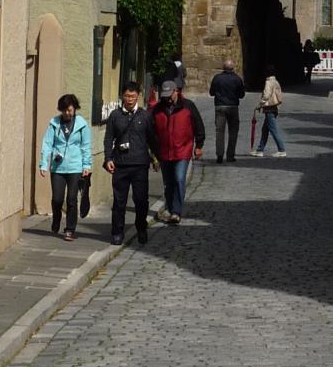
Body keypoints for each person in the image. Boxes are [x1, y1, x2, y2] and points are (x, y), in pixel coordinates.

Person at [103, 80, 158, 244]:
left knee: (141, 200)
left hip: (140, 164)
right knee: (119, 201)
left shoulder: (145, 116)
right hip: (120, 164)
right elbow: (108, 138)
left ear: (138, 96)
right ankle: (117, 232)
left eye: (133, 96)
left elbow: (152, 139)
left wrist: (157, 158)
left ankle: (141, 227)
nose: (130, 99)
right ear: (122, 96)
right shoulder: (115, 115)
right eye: (127, 96)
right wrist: (108, 158)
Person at [149, 79, 205, 223]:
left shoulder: (188, 106)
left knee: (179, 179)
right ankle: (169, 207)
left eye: (169, 95)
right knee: (168, 182)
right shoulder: (157, 109)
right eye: (165, 95)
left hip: (182, 150)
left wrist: (199, 146)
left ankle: (176, 212)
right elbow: (152, 132)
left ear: (176, 92)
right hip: (164, 151)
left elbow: (198, 125)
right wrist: (154, 152)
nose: (167, 98)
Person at [38, 93, 92, 241]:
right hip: (58, 168)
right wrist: (44, 164)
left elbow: (86, 146)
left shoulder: (82, 125)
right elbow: (47, 144)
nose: (67, 113)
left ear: (75, 109)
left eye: (70, 110)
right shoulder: (54, 123)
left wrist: (86, 165)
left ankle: (70, 229)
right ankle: (56, 219)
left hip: (75, 167)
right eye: (64, 110)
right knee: (57, 199)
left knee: (72, 199)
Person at [208, 57, 246, 162]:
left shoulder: (217, 78)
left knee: (219, 131)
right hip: (233, 106)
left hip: (220, 106)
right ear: (233, 68)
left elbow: (211, 92)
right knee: (233, 131)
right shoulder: (237, 79)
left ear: (223, 68)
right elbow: (242, 95)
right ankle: (230, 155)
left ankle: (219, 155)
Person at [252, 72, 287, 156]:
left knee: (273, 130)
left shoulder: (268, 82)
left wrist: (260, 104)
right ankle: (260, 150)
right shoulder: (276, 81)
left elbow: (266, 95)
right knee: (265, 130)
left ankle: (281, 150)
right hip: (274, 108)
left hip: (269, 108)